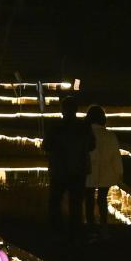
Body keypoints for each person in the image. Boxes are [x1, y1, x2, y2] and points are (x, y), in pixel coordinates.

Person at [42, 97, 95, 240]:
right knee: (76, 203)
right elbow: (92, 145)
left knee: (55, 201)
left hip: (59, 169)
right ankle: (75, 231)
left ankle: (56, 229)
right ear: (76, 110)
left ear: (62, 110)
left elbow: (46, 146)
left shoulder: (55, 126)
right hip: (78, 169)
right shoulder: (84, 126)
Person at [84, 105, 122, 233]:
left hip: (88, 172)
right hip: (106, 173)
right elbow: (115, 157)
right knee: (102, 199)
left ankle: (90, 225)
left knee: (89, 199)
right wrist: (119, 173)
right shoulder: (110, 135)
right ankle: (104, 224)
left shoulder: (85, 135)